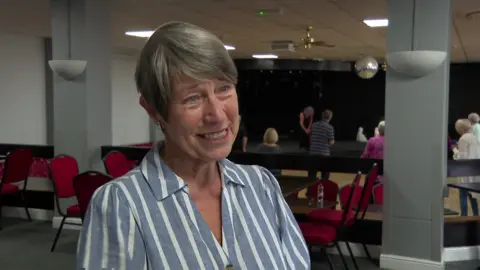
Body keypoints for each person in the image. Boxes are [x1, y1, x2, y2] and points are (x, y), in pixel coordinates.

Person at [76, 22, 309, 270]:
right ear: (154, 110)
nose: (218, 115)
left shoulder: (262, 186)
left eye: (224, 89)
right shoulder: (121, 205)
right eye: (193, 98)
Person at [454, 119, 480, 216]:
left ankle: (463, 216)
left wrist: (455, 150)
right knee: (472, 196)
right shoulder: (474, 137)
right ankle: (476, 215)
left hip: (465, 171)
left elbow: (462, 158)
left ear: (461, 129)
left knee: (463, 195)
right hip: (474, 170)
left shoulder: (463, 138)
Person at [309, 109, 334, 180]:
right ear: (330, 117)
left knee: (311, 176)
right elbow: (331, 142)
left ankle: (310, 190)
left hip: (313, 153)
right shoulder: (330, 128)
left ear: (322, 116)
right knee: (325, 176)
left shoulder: (314, 125)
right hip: (324, 154)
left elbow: (311, 138)